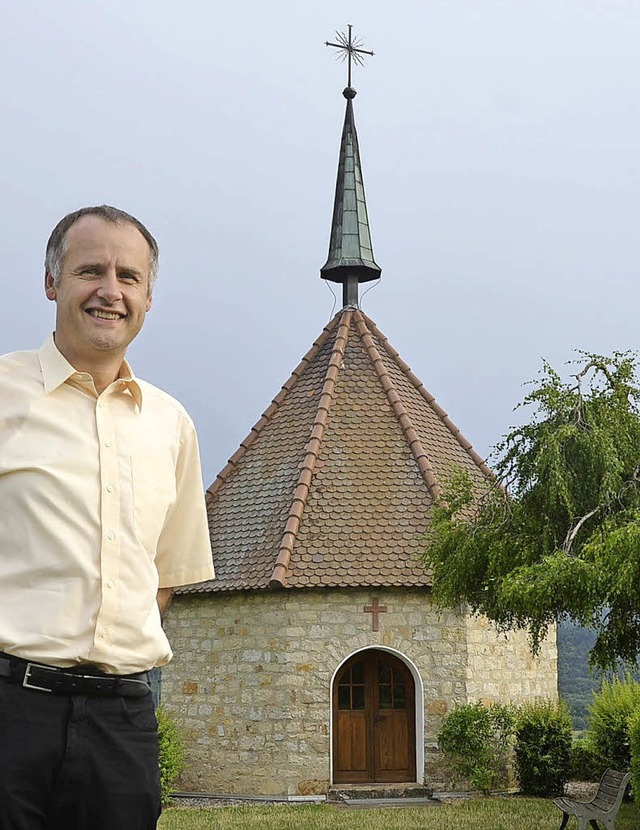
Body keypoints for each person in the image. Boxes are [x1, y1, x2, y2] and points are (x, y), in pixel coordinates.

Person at [0, 206, 215, 830]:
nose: (110, 291)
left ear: (148, 296)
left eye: (129, 277)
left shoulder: (172, 425)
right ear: (52, 283)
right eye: (89, 270)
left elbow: (164, 578)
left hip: (123, 723)